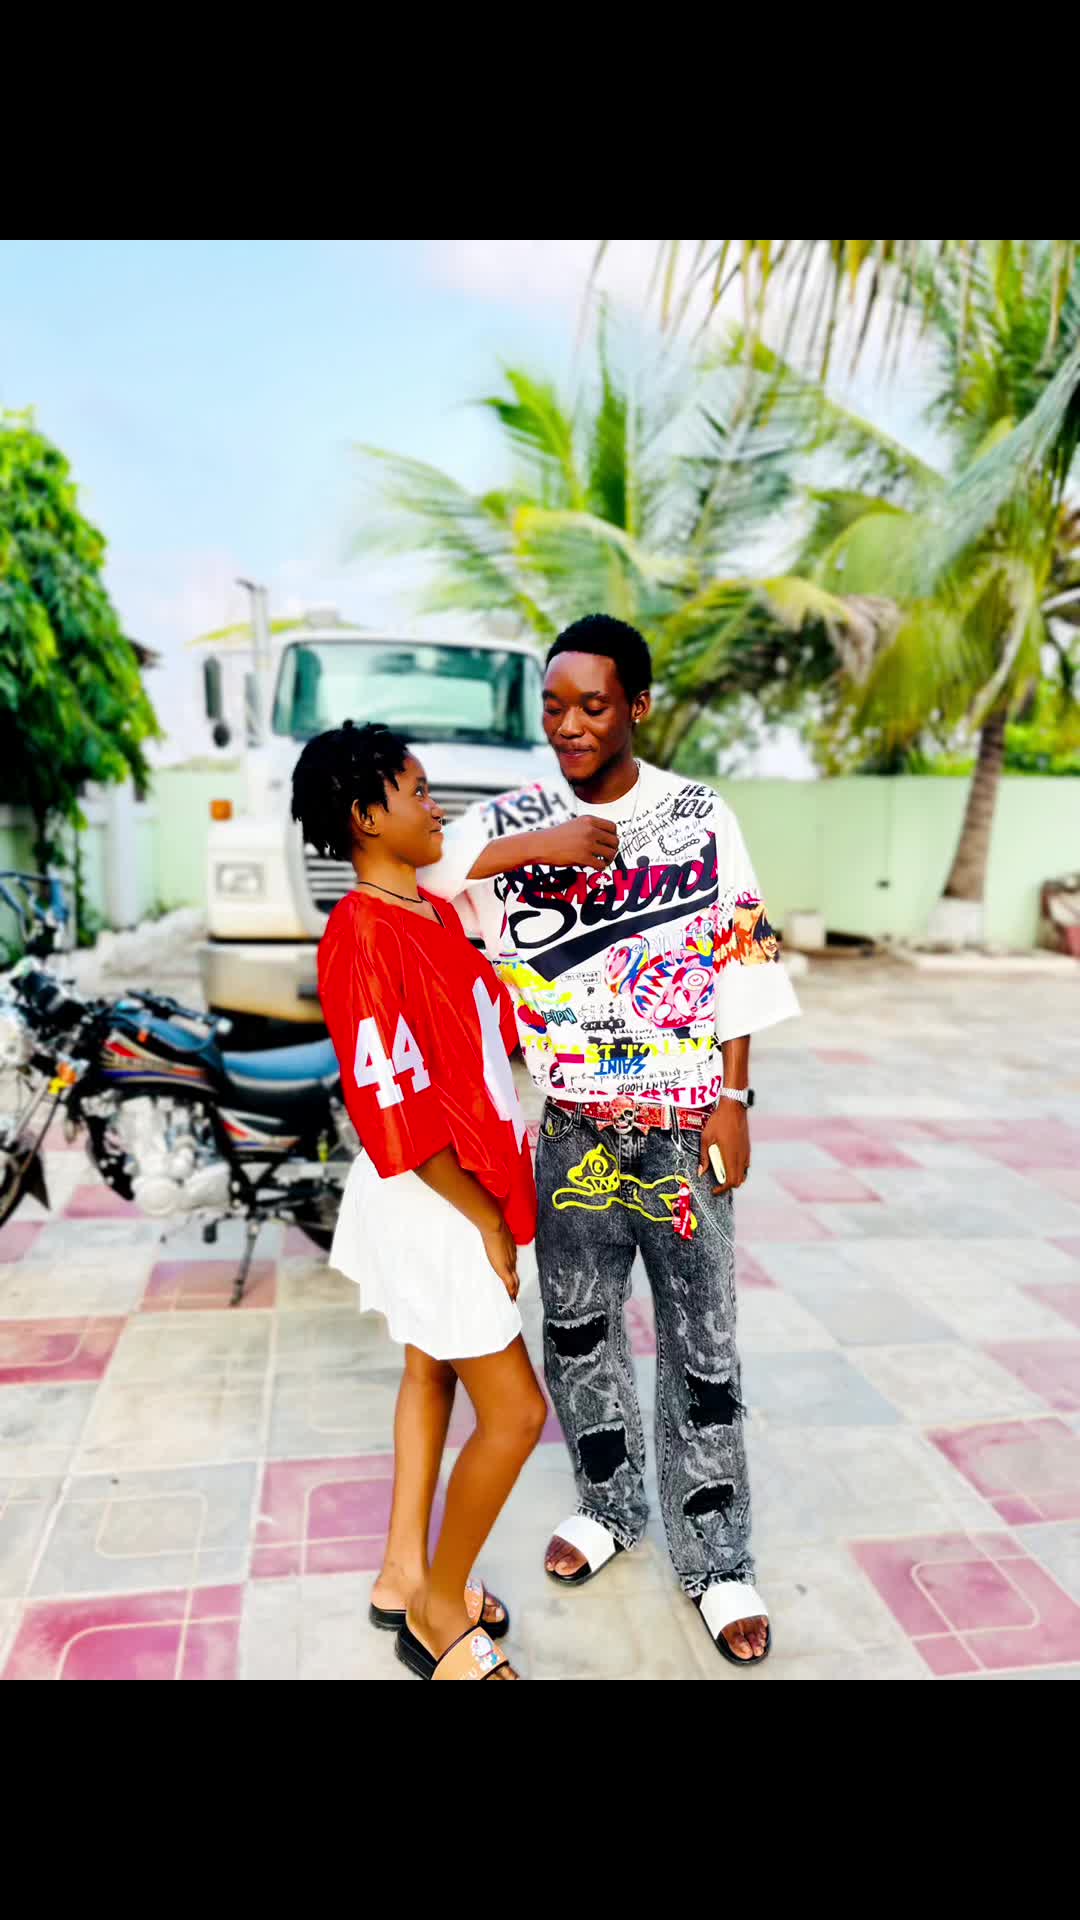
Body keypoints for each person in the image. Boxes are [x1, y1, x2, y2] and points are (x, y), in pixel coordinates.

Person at [421, 614, 799, 1666]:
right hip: (574, 1126)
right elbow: (419, 877)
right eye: (554, 706)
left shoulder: (697, 814)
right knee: (580, 1331)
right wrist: (531, 848)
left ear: (637, 705)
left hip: (681, 1126)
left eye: (594, 705)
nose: (571, 726)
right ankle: (611, 1504)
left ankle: (718, 1559)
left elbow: (742, 951)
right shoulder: (511, 816)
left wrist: (736, 1097)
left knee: (701, 1345)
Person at [291, 719, 547, 1682]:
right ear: (366, 817)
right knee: (516, 1415)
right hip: (436, 1194)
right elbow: (392, 1104)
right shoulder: (360, 935)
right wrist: (484, 1219)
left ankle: (404, 1573)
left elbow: (480, 1034)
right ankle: (439, 1611)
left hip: (461, 1179)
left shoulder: (431, 911)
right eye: (418, 792)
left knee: (430, 1372)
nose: (435, 807)